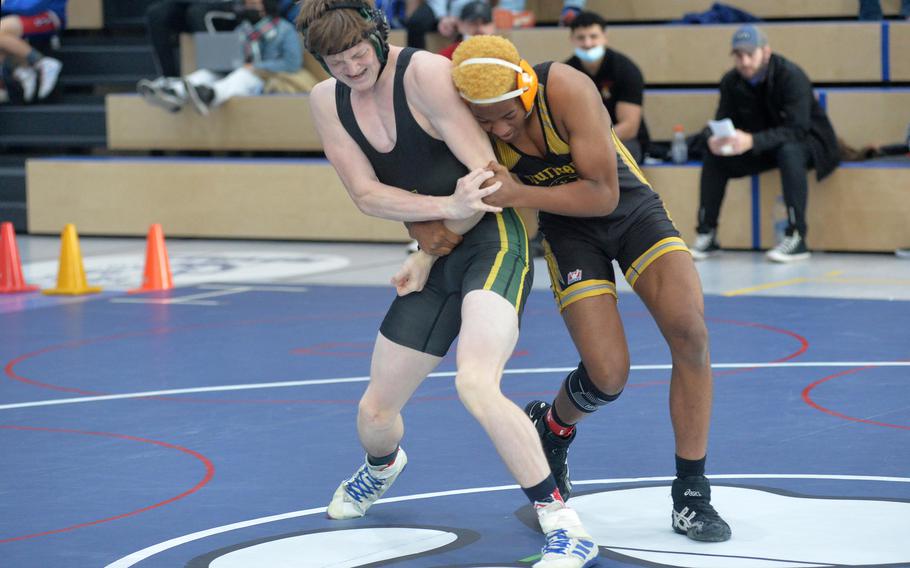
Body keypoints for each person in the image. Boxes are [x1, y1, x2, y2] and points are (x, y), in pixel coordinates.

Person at [297, 2, 606, 566]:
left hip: (492, 239)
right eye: (335, 61)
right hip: (437, 250)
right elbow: (366, 195)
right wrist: (431, 233)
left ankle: (562, 519)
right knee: (374, 415)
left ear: (377, 36)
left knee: (476, 383)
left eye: (358, 54)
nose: (350, 68)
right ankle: (382, 468)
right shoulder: (326, 101)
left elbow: (487, 179)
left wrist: (433, 233)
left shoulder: (424, 75)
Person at [410, 34, 730, 543]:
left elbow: (603, 195)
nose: (497, 128)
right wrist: (424, 242)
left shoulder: (567, 87)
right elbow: (431, 191)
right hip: (567, 231)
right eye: (483, 120)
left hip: (628, 210)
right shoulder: (473, 124)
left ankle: (692, 492)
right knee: (607, 376)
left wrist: (519, 192)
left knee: (690, 334)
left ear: (525, 85)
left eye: (504, 114)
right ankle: (553, 428)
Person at [689, 25, 840, 263]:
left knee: (789, 151)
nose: (745, 61)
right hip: (763, 146)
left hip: (810, 143)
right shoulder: (731, 81)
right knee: (715, 157)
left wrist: (752, 140)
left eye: (750, 54)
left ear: (766, 52)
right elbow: (721, 118)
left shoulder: (791, 76)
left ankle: (797, 236)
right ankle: (707, 234)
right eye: (739, 55)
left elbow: (797, 129)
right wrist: (714, 138)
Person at [138, 0, 304, 115]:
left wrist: (256, 67)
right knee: (207, 73)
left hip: (260, 75)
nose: (249, 8)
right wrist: (226, 62)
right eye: (247, 4)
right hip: (238, 68)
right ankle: (173, 91)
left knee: (241, 77)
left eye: (254, 4)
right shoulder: (241, 28)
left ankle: (210, 95)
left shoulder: (284, 30)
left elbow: (292, 63)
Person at [563, 10, 649, 163]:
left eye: (593, 36)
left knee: (608, 157)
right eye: (581, 38)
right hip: (580, 140)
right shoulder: (565, 73)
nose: (588, 44)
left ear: (605, 37)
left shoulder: (626, 69)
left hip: (622, 140)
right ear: (572, 39)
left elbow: (629, 127)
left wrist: (591, 142)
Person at [0, 0, 64, 102]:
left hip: (49, 15)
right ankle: (22, 69)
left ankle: (42, 62)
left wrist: (4, 3)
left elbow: (30, 7)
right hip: (18, 16)